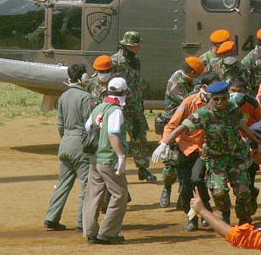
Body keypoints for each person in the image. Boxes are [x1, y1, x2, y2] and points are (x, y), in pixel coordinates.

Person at [158, 81, 261, 225]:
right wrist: (165, 143)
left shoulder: (233, 108)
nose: (220, 102)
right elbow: (181, 127)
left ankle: (244, 221)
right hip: (216, 159)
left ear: (228, 97)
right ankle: (225, 212)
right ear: (211, 98)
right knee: (219, 192)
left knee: (243, 192)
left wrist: (259, 143)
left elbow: (243, 126)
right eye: (216, 99)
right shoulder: (204, 113)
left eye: (223, 98)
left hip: (236, 156)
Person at [152, 72, 221, 230]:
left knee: (197, 179)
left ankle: (206, 211)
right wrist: (164, 143)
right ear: (204, 88)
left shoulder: (218, 103)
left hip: (204, 149)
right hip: (185, 147)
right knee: (185, 185)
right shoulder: (189, 102)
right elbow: (172, 125)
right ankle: (191, 216)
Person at [44, 64, 94, 232]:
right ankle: (82, 222)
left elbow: (60, 124)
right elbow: (90, 124)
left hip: (65, 142)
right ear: (84, 78)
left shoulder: (63, 97)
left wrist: (67, 139)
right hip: (80, 144)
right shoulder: (86, 97)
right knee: (87, 185)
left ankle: (51, 217)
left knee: (63, 183)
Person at [83, 77, 130, 245]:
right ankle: (108, 232)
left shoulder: (99, 107)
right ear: (124, 93)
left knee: (93, 195)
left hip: (95, 159)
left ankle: (91, 232)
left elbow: (88, 127)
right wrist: (121, 156)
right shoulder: (116, 110)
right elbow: (113, 134)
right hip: (109, 159)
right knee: (120, 194)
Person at [157, 56, 205, 207]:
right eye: (197, 74)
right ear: (191, 72)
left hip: (190, 129)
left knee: (186, 164)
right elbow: (188, 100)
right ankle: (166, 188)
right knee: (171, 164)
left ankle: (182, 194)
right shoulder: (175, 83)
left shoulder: (191, 81)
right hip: (174, 128)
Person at [111, 31, 156, 183]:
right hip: (120, 107)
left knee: (140, 135)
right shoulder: (115, 61)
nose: (137, 48)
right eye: (134, 46)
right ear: (126, 46)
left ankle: (142, 168)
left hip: (135, 105)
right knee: (118, 137)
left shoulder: (136, 60)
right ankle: (114, 169)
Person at [229, 78, 261, 214]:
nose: (236, 94)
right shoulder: (224, 103)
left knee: (248, 178)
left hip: (249, 144)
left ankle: (245, 208)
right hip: (229, 145)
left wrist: (252, 141)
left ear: (245, 92)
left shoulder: (252, 103)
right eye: (233, 91)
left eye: (239, 91)